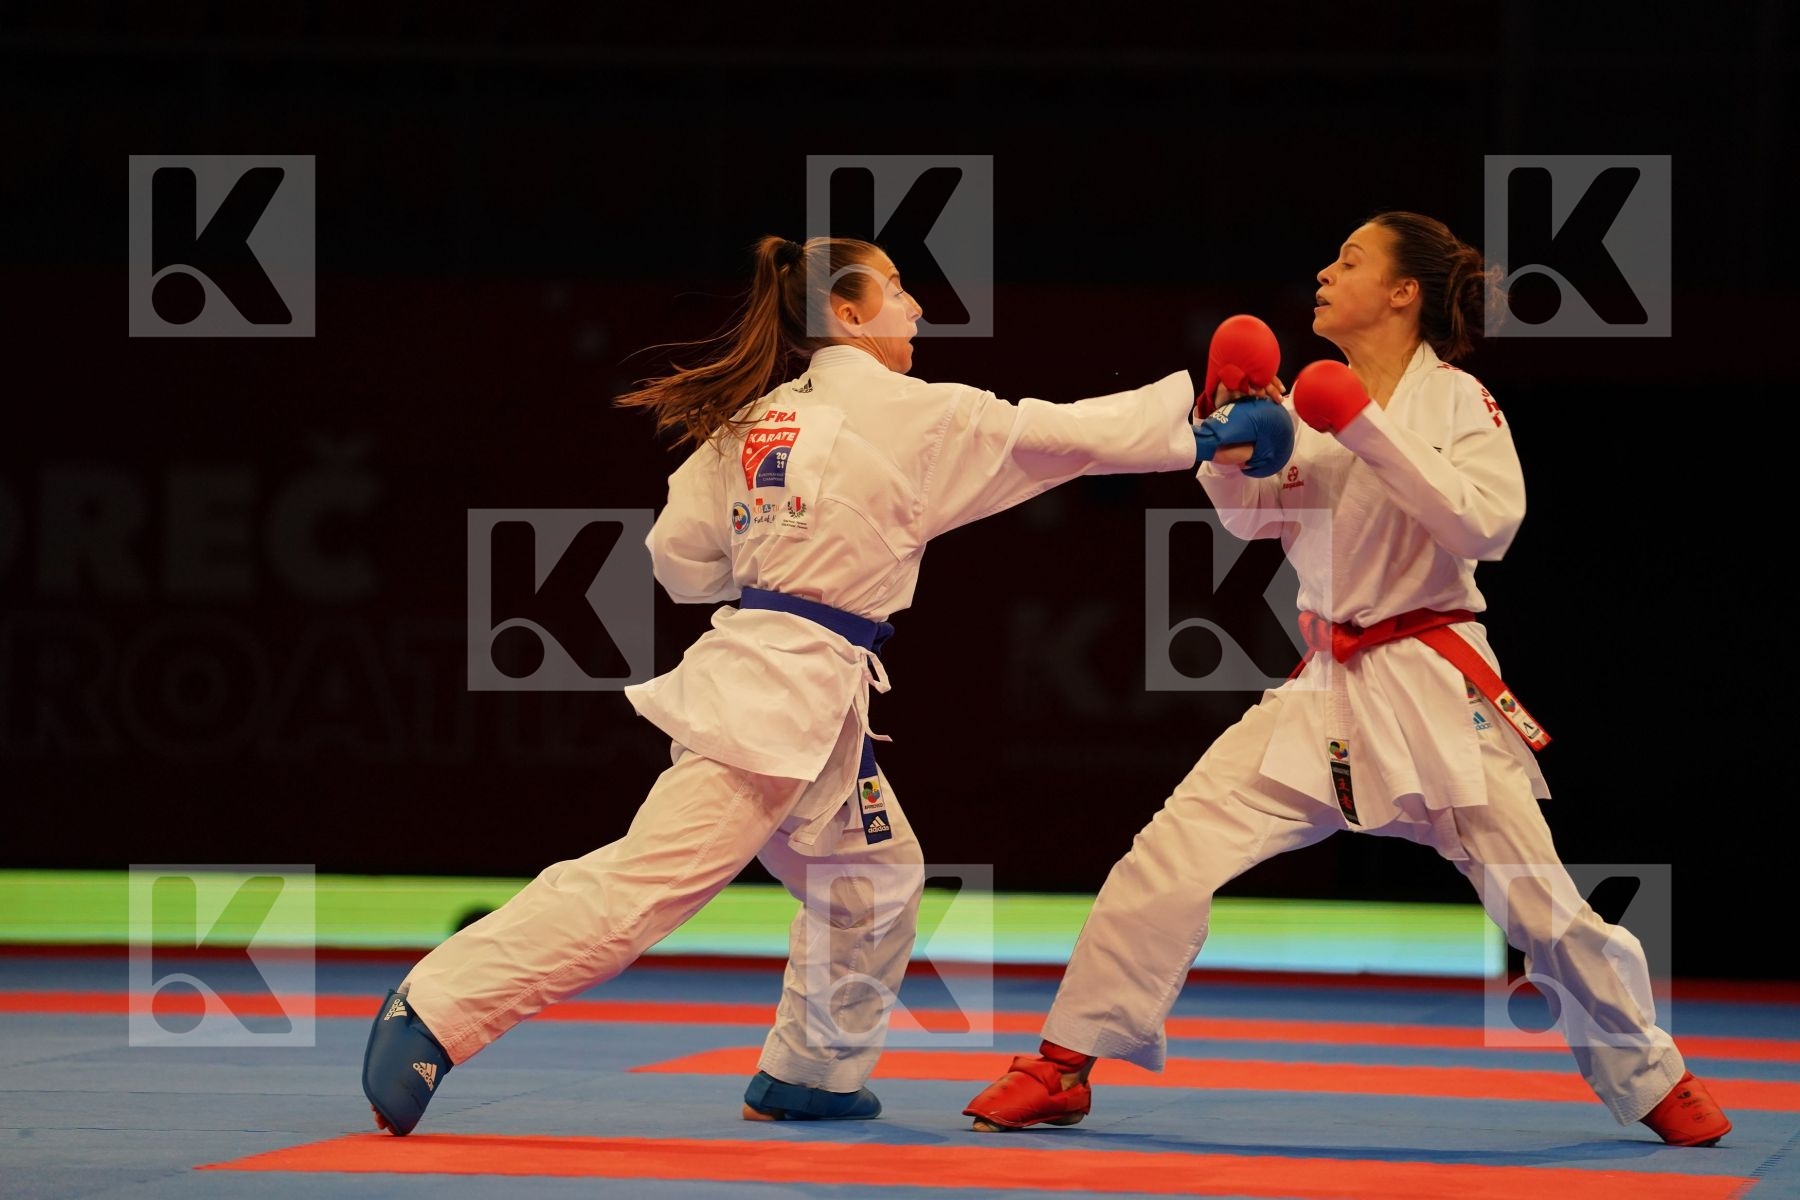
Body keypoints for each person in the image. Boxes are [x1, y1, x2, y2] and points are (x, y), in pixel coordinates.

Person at [359, 235, 1295, 1135]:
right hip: (775, 698)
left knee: (875, 883)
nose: (918, 306)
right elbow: (1062, 434)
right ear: (847, 313)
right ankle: (435, 1008)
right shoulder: (914, 411)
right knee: (647, 886)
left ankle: (810, 1074)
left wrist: (777, 559)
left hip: (794, 682)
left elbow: (676, 559)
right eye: (898, 288)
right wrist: (1209, 435)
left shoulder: (754, 418)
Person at [960, 211, 1733, 1149]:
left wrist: (1364, 426)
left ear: (1404, 292)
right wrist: (1226, 433)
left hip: (1433, 681)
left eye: (1350, 260)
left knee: (1541, 904)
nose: (1325, 273)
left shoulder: (1459, 402)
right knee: (1169, 854)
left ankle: (1654, 1075)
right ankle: (1063, 1062)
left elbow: (1487, 528)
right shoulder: (1303, 408)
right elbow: (1250, 520)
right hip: (1325, 686)